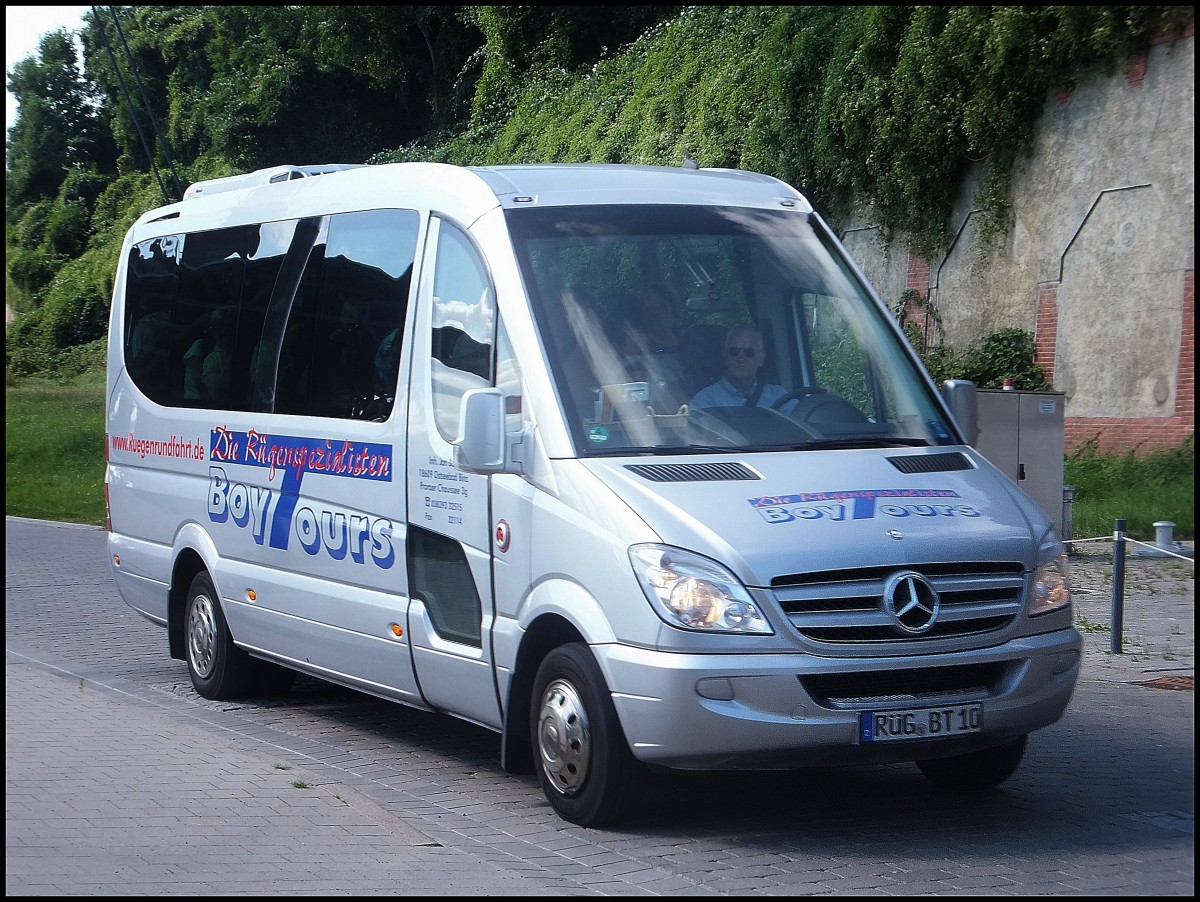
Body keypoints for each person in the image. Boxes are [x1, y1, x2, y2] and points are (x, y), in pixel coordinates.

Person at [689, 324, 791, 409]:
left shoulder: (779, 396)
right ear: (725, 357)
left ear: (761, 359)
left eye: (749, 353)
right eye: (734, 352)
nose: (741, 359)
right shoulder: (705, 402)